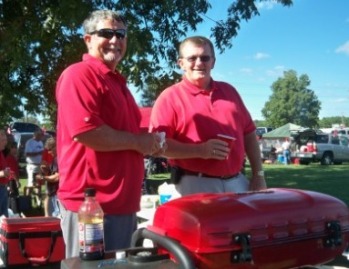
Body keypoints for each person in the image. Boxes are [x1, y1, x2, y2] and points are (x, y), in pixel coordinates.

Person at [55, 10, 163, 258]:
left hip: (121, 204)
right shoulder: (79, 75)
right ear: (88, 39)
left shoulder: (118, 82)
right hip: (92, 206)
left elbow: (128, 135)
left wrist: (150, 143)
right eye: (106, 33)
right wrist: (139, 143)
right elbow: (87, 132)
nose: (115, 40)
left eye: (121, 34)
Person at [150, 36, 266, 196]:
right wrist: (200, 150)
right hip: (194, 183)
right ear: (181, 63)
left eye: (205, 58)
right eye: (192, 58)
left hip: (237, 181)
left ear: (213, 62)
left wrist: (258, 175)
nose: (199, 63)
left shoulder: (230, 92)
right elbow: (158, 145)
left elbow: (249, 134)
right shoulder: (170, 97)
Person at [38, 137, 59, 217]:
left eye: (50, 149)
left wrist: (43, 178)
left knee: (58, 215)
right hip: (54, 191)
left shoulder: (58, 159)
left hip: (58, 192)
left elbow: (57, 177)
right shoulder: (55, 159)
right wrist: (46, 169)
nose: (49, 152)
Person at [0, 129, 11, 217]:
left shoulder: (1, 153)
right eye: (3, 140)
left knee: (4, 217)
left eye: (6, 140)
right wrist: (2, 173)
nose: (5, 143)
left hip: (2, 188)